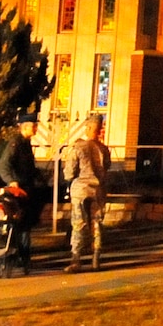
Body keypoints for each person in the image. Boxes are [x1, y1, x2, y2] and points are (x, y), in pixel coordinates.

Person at [61, 115, 109, 272]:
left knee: (78, 223)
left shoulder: (78, 147)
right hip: (99, 190)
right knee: (96, 223)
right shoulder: (104, 149)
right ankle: (96, 258)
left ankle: (76, 258)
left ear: (88, 128)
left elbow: (69, 173)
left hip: (81, 190)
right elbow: (106, 167)